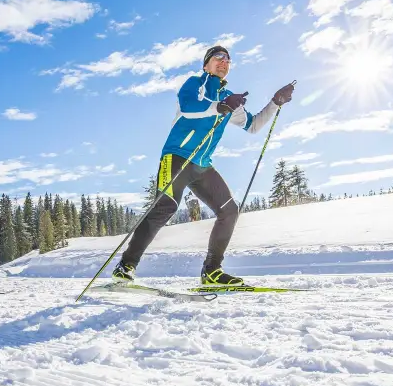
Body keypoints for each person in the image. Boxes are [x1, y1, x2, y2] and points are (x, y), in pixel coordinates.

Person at [112, 45, 294, 286]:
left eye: (228, 59)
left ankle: (212, 271)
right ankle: (125, 267)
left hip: (202, 165)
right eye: (218, 57)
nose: (223, 62)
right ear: (206, 64)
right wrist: (220, 106)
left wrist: (275, 102)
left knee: (229, 211)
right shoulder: (194, 84)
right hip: (177, 156)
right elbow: (189, 109)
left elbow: (253, 126)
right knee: (164, 208)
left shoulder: (229, 99)